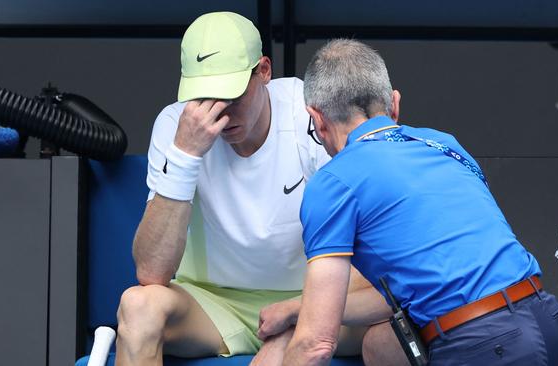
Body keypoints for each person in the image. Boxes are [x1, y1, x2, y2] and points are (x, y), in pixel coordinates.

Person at [283, 39, 558, 366]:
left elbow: (315, 344)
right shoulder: (443, 144)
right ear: (394, 104)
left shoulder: (333, 182)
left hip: (483, 343)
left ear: (317, 119)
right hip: (549, 319)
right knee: (381, 344)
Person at [114, 13, 371, 366]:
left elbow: (363, 245)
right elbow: (152, 273)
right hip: (213, 305)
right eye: (204, 98)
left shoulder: (308, 112)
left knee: (388, 310)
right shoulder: (176, 125)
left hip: (312, 298)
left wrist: (295, 320)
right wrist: (186, 155)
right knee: (137, 305)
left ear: (264, 71)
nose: (220, 114)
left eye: (232, 95)